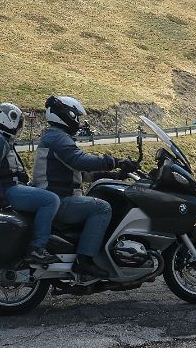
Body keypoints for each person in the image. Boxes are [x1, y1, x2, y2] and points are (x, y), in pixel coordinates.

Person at [34, 96, 138, 278]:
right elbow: (79, 160)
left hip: (57, 197)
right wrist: (114, 162)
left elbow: (81, 174)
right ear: (66, 115)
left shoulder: (56, 137)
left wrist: (115, 175)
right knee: (103, 208)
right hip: (58, 199)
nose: (78, 121)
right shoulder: (57, 137)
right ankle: (84, 260)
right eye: (76, 116)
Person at [0, 102, 60, 265]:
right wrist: (0, 200)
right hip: (8, 190)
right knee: (51, 200)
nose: (19, 126)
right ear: (8, 119)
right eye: (18, 121)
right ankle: (37, 248)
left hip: (9, 188)